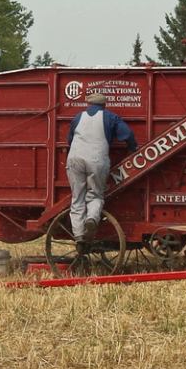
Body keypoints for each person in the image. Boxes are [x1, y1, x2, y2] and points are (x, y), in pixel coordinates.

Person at [60, 91, 139, 258]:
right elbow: (128, 134)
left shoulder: (77, 117)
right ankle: (92, 220)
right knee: (95, 194)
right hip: (97, 160)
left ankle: (80, 236)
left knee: (77, 198)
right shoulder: (110, 117)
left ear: (89, 104)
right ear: (104, 105)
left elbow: (70, 140)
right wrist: (133, 149)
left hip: (75, 159)